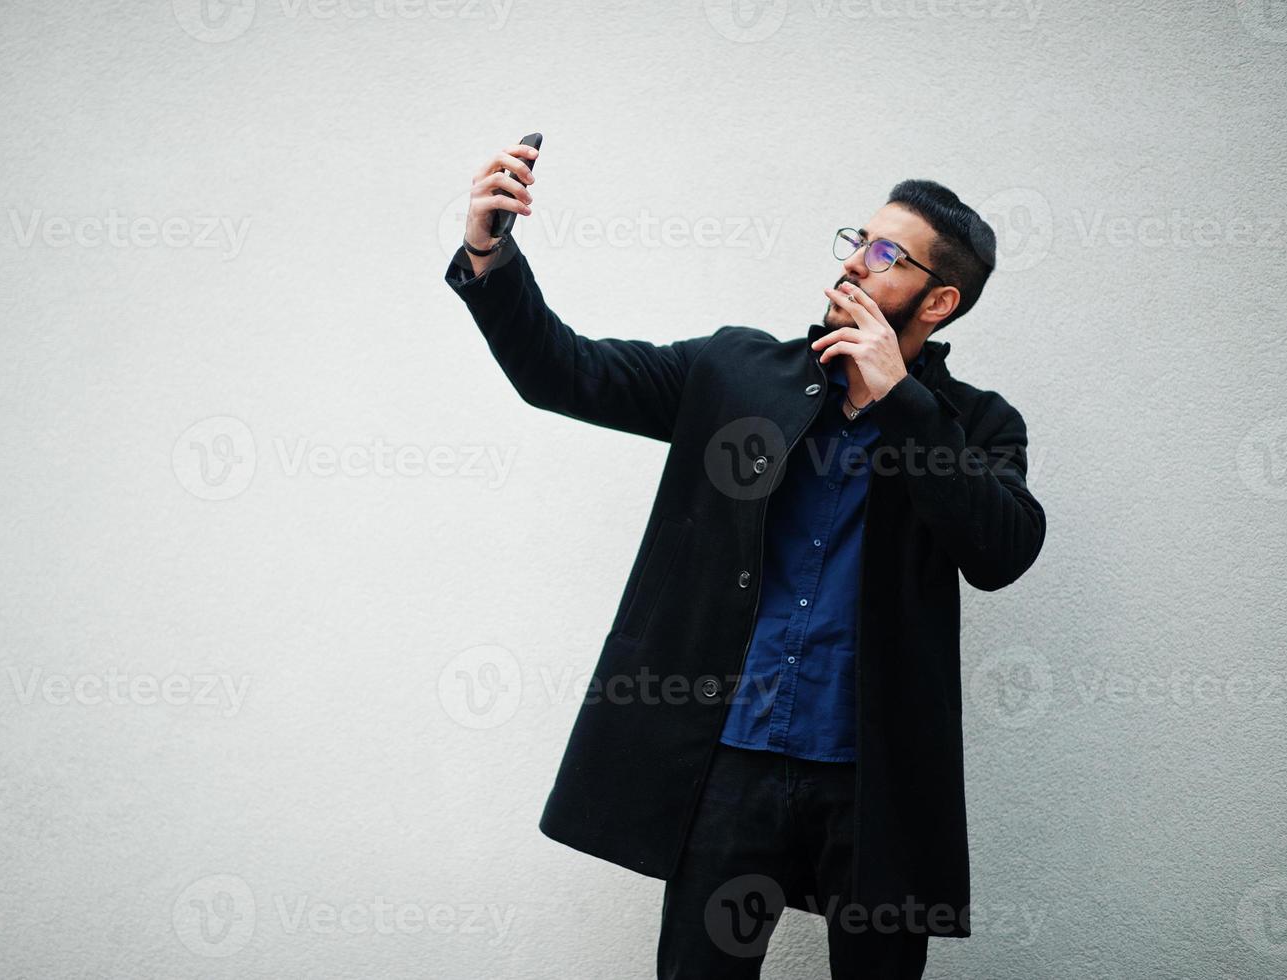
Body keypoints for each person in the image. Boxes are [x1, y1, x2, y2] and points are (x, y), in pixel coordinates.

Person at [443, 139, 1046, 979]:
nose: (853, 265)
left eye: (884, 255)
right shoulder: (737, 373)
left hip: (875, 785)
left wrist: (901, 402)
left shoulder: (975, 425)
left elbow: (1001, 551)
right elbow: (563, 373)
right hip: (729, 766)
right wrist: (487, 251)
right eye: (855, 241)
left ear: (937, 299)